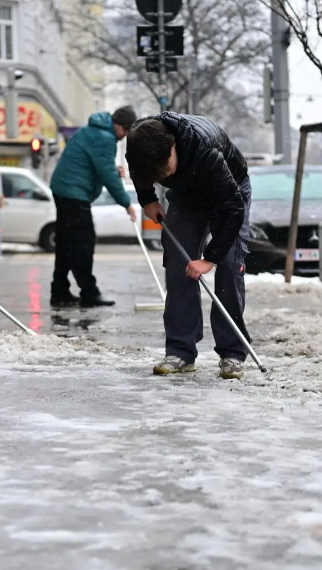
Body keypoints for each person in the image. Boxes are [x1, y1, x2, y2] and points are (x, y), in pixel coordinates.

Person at [126, 112, 253, 380]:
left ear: (173, 145)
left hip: (229, 195)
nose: (162, 174)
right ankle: (180, 350)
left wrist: (210, 258)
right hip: (187, 196)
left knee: (229, 265)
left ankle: (232, 352)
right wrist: (148, 199)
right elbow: (138, 173)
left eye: (165, 167)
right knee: (177, 261)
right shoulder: (138, 142)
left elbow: (233, 209)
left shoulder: (206, 151)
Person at [47, 106, 139, 307]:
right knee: (83, 243)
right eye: (125, 131)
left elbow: (93, 165)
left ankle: (59, 290)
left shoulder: (93, 130)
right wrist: (126, 203)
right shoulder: (104, 138)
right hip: (73, 194)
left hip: (64, 189)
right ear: (118, 125)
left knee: (65, 244)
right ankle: (89, 292)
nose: (123, 137)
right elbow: (106, 175)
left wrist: (112, 170)